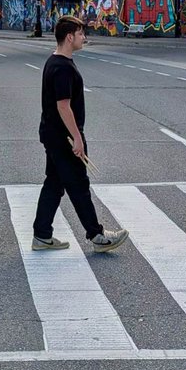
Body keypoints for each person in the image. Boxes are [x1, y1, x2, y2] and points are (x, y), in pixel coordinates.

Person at [32, 15, 128, 253]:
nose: (84, 38)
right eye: (81, 34)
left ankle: (42, 235)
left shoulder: (53, 62)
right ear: (69, 37)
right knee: (78, 184)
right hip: (63, 138)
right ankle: (97, 235)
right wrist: (77, 138)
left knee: (54, 184)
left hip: (53, 134)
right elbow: (63, 106)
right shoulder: (62, 67)